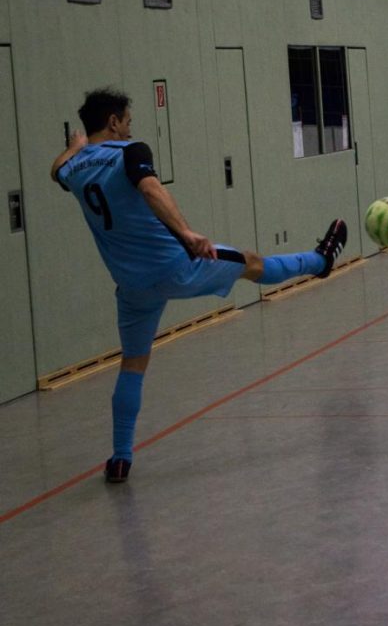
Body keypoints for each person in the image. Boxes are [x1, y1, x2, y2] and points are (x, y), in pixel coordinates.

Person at [51, 89, 347, 483]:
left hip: (132, 286)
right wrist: (187, 233)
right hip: (176, 266)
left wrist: (76, 147)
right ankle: (321, 262)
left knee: (133, 364)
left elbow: (56, 169)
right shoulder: (130, 151)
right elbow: (151, 189)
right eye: (127, 121)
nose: (130, 129)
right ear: (114, 122)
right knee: (252, 263)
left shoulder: (74, 169)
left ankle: (120, 458)